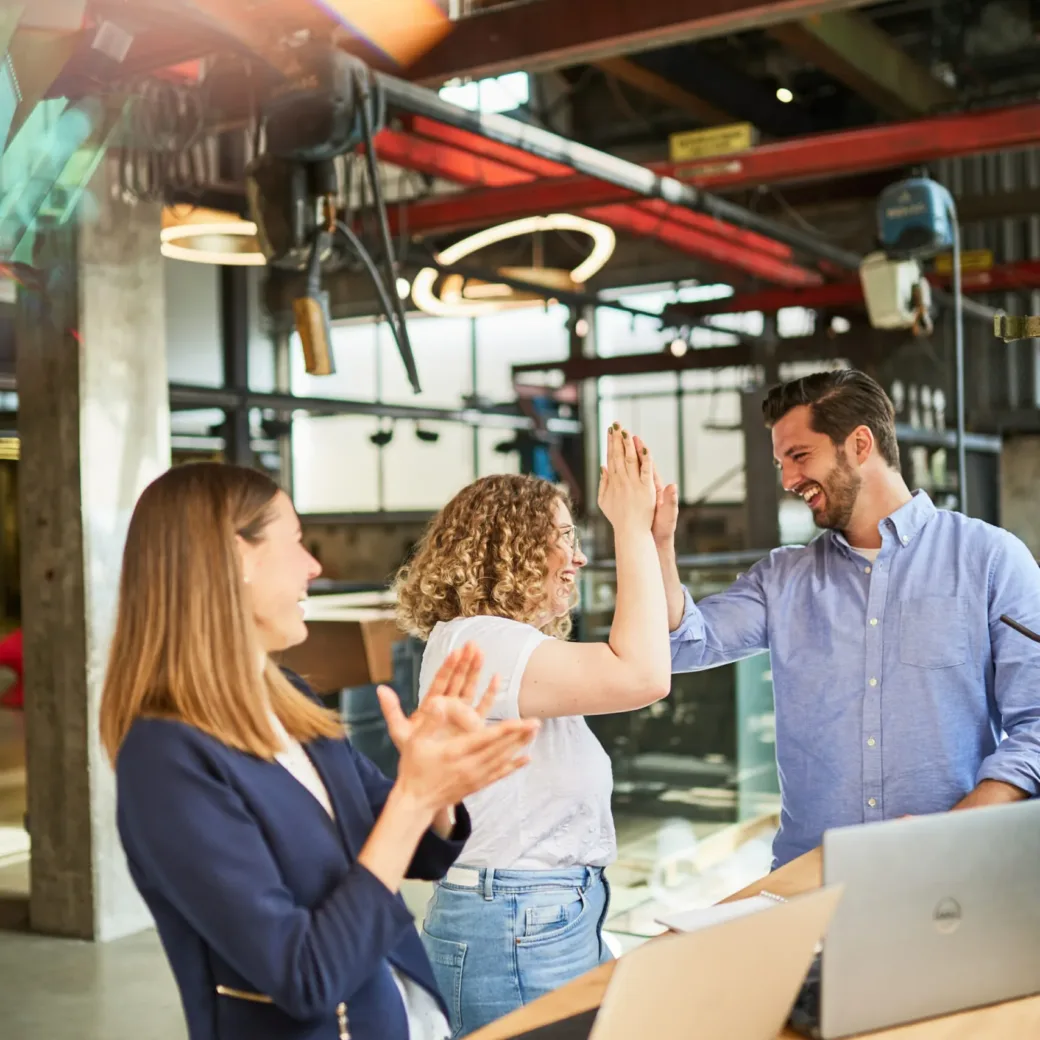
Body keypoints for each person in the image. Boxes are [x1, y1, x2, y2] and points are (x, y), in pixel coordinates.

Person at [99, 462, 540, 1040]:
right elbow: (304, 977)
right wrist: (413, 797)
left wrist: (434, 785)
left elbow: (413, 852)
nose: (314, 566)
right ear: (238, 558)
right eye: (297, 542)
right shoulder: (165, 759)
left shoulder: (290, 701)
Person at [653, 369, 1040, 870]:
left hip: (950, 873)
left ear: (859, 444)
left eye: (799, 456)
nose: (788, 479)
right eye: (782, 463)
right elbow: (682, 644)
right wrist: (658, 543)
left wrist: (955, 830)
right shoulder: (782, 578)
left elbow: (1036, 724)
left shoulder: (990, 559)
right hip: (814, 880)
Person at [393, 423, 671, 1038]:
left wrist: (653, 541)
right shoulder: (480, 640)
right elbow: (645, 675)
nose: (577, 559)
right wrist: (628, 527)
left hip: (538, 916)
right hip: (514, 922)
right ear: (511, 548)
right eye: (564, 539)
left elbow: (650, 653)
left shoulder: (500, 643)